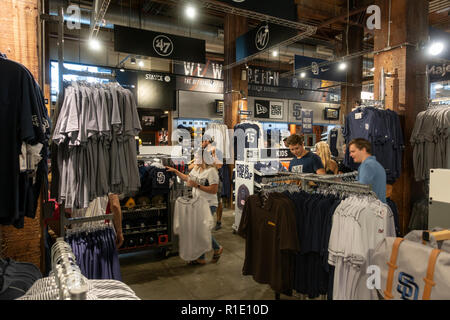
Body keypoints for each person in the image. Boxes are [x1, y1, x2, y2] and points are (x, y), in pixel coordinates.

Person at [166, 146, 223, 265]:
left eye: (197, 157)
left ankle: (215, 248)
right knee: (198, 230)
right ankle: (201, 257)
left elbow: (213, 190)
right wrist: (176, 172)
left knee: (201, 230)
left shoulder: (212, 171)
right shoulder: (196, 169)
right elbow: (187, 178)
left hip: (209, 204)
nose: (194, 159)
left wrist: (196, 185)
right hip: (197, 203)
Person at [348, 138, 386, 203]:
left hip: (371, 209)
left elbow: (361, 191)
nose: (350, 155)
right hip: (378, 208)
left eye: (353, 151)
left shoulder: (367, 165)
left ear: (363, 150)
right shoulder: (375, 164)